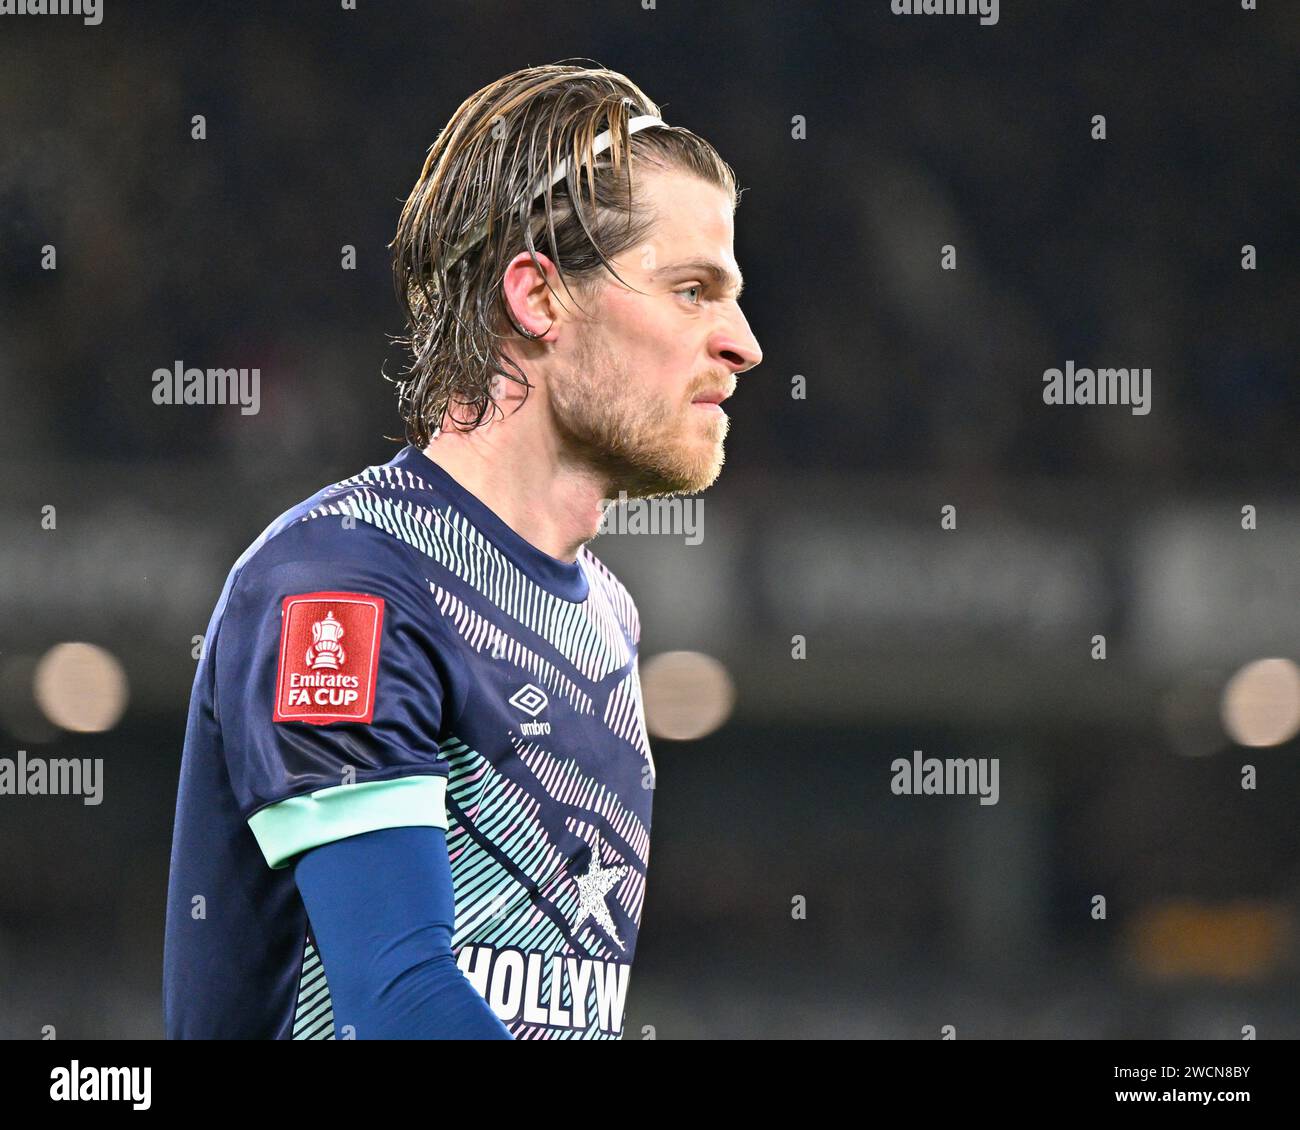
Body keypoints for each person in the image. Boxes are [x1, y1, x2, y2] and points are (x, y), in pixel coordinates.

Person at [162, 61, 762, 1040]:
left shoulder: (606, 613)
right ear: (538, 297)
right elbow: (398, 1000)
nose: (741, 341)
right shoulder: (344, 584)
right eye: (692, 289)